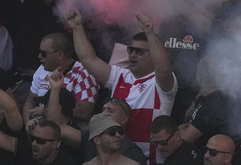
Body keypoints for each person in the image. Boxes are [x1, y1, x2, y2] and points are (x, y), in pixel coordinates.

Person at [66, 10, 178, 164]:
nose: (132, 55)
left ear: (153, 54)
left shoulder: (160, 83)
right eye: (130, 50)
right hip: (117, 159)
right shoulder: (121, 76)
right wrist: (77, 27)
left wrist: (150, 34)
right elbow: (88, 59)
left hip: (148, 161)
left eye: (139, 51)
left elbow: (164, 68)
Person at [22, 32, 98, 124]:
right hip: (39, 126)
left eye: (43, 53)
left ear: (60, 55)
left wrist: (45, 110)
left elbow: (84, 112)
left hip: (66, 129)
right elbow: (30, 101)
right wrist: (28, 125)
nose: (39, 56)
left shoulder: (83, 72)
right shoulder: (42, 68)